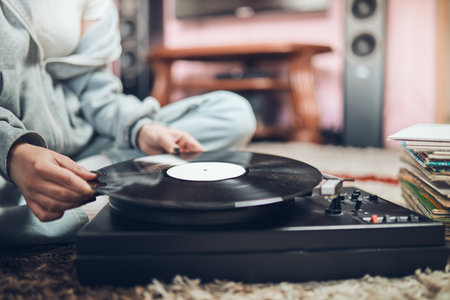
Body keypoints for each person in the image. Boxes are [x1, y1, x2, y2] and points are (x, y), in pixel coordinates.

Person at [0, 0, 256, 245]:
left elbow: (95, 91)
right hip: (9, 164)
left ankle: (79, 194)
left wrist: (140, 128)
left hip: (87, 143)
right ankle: (117, 194)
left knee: (232, 113)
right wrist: (14, 153)